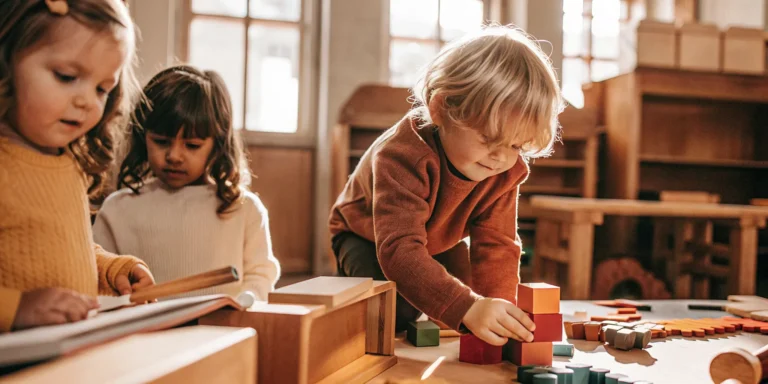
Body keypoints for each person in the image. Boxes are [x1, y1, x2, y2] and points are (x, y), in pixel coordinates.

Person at [328, 25, 563, 346]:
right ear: (441, 109)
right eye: (488, 139)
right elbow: (398, 250)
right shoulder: (401, 155)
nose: (500, 158)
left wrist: (497, 311)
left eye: (516, 146)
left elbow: (497, 246)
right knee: (394, 311)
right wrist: (468, 307)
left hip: (440, 238)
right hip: (366, 235)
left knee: (467, 301)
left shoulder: (505, 172)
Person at [0, 0, 155, 332]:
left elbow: (66, 250)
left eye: (102, 89)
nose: (87, 100)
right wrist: (16, 308)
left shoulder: (70, 165)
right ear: (6, 61)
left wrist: (113, 271)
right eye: (67, 76)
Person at [94, 65, 280, 300]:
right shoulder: (116, 209)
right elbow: (99, 282)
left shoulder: (244, 208)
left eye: (192, 145)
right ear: (143, 137)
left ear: (217, 144)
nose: (174, 156)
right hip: (145, 334)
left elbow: (260, 276)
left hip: (223, 333)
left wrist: (243, 303)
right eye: (161, 141)